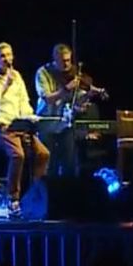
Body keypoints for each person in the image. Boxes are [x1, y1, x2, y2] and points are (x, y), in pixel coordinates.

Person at [0, 42, 49, 217]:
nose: (7, 59)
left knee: (43, 153)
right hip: (0, 126)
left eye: (9, 55)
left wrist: (30, 115)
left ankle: (35, 193)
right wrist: (5, 86)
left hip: (19, 125)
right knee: (18, 155)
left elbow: (23, 101)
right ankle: (13, 199)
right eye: (2, 56)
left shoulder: (16, 76)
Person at [34, 44, 92, 176]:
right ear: (55, 59)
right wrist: (66, 88)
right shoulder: (43, 73)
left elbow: (76, 99)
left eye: (68, 60)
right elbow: (47, 98)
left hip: (65, 123)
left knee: (69, 164)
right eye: (63, 61)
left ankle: (68, 187)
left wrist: (85, 98)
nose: (67, 64)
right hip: (47, 122)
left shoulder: (72, 73)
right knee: (50, 165)